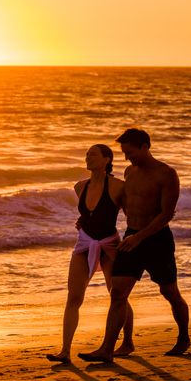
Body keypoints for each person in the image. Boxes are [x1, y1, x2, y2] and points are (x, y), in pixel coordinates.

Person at [78, 129, 190, 362]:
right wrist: (89, 219)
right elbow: (124, 205)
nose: (127, 158)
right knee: (118, 292)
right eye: (124, 153)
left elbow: (166, 214)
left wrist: (140, 237)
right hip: (131, 238)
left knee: (169, 292)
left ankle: (183, 337)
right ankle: (107, 349)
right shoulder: (130, 172)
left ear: (144, 147)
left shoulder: (166, 174)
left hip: (157, 240)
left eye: (130, 152)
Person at [46, 144, 135, 364]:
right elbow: (89, 214)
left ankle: (127, 342)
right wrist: (82, 222)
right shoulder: (79, 187)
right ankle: (65, 351)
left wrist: (134, 239)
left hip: (110, 245)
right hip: (84, 244)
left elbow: (131, 216)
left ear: (107, 159)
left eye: (93, 155)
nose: (88, 158)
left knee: (117, 295)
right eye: (86, 155)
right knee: (74, 297)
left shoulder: (117, 187)